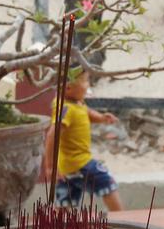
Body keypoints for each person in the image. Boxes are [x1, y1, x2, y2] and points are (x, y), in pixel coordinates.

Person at [45, 68, 124, 211]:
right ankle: (121, 218)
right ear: (68, 88)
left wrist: (101, 118)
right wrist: (50, 166)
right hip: (80, 163)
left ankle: (58, 223)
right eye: (85, 81)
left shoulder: (75, 103)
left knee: (65, 200)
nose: (88, 85)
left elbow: (86, 112)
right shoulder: (65, 109)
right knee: (107, 182)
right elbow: (53, 134)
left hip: (67, 167)